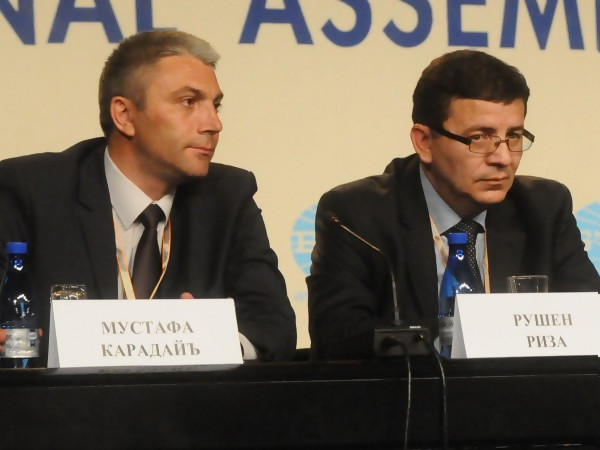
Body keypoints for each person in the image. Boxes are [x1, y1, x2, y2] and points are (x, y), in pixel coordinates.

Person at [0, 30, 296, 365]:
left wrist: (212, 342)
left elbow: (274, 329)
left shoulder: (228, 197)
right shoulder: (29, 191)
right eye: (189, 102)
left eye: (215, 105)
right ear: (124, 115)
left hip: (189, 398)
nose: (214, 124)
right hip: (64, 398)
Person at [307, 49, 600, 360]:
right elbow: (337, 335)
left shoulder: (543, 208)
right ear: (424, 142)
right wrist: (465, 340)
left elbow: (591, 321)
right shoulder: (356, 215)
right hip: (411, 389)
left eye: (514, 136)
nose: (503, 158)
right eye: (480, 137)